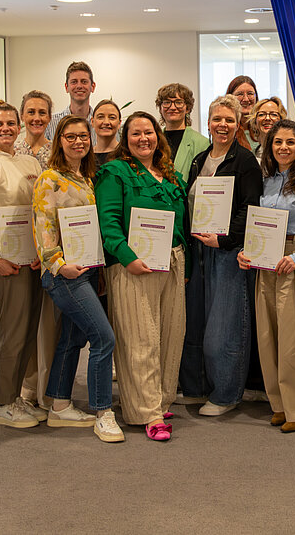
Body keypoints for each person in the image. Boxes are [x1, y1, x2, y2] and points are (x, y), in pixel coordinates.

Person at [98, 111, 189, 441]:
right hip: (133, 265)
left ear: (157, 135)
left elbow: (182, 225)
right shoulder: (115, 172)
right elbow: (107, 224)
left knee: (169, 334)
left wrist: (185, 266)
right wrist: (127, 258)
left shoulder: (171, 175)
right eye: (135, 134)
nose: (143, 139)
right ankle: (146, 412)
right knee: (141, 339)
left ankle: (161, 399)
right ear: (126, 138)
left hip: (173, 262)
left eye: (148, 133)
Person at [32, 117, 123, 442]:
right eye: (70, 136)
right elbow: (43, 228)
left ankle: (59, 404)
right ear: (60, 141)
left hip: (90, 269)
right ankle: (103, 412)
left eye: (83, 136)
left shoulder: (88, 177)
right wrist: (58, 265)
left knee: (71, 340)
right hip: (66, 275)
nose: (78, 142)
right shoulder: (50, 179)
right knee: (103, 338)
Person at [238, 120, 295, 432]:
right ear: (270, 146)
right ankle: (279, 404)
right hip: (266, 263)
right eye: (277, 142)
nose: (283, 148)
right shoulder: (264, 180)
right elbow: (257, 222)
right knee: (270, 336)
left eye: (290, 142)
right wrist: (247, 251)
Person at [181, 95, 264, 416]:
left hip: (228, 251)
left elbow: (250, 207)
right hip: (199, 249)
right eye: (217, 119)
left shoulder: (244, 161)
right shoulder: (199, 160)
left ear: (238, 124)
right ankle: (199, 387)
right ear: (208, 122)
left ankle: (227, 394)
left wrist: (225, 238)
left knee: (225, 325)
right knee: (197, 321)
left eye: (229, 120)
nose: (223, 125)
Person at [0, 100, 45, 429]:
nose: (5, 129)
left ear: (19, 127)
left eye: (10, 123)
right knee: (13, 330)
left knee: (29, 330)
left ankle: (15, 396)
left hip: (32, 259)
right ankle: (2, 403)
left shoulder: (30, 161)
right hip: (7, 261)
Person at [13, 90, 58, 414]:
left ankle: (48, 387)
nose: (37, 118)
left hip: (49, 243)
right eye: (31, 112)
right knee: (23, 319)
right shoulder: (11, 149)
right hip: (18, 243)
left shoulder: (55, 150)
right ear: (22, 114)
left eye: (42, 112)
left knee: (48, 322)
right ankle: (26, 387)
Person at [155, 83, 210, 181]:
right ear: (160, 108)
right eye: (167, 102)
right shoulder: (154, 141)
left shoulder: (202, 143)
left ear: (188, 108)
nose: (172, 107)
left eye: (178, 102)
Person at [45, 61, 98, 142]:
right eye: (74, 82)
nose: (79, 86)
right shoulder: (50, 123)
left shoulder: (101, 124)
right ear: (66, 87)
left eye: (84, 82)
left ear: (92, 87)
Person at [226, 75, 259, 152]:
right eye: (240, 94)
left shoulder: (261, 127)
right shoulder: (227, 130)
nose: (246, 99)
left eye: (250, 93)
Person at [91, 98, 122, 167]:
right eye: (100, 117)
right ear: (92, 122)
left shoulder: (126, 154)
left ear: (119, 123)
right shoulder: (86, 156)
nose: (106, 122)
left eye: (112, 118)